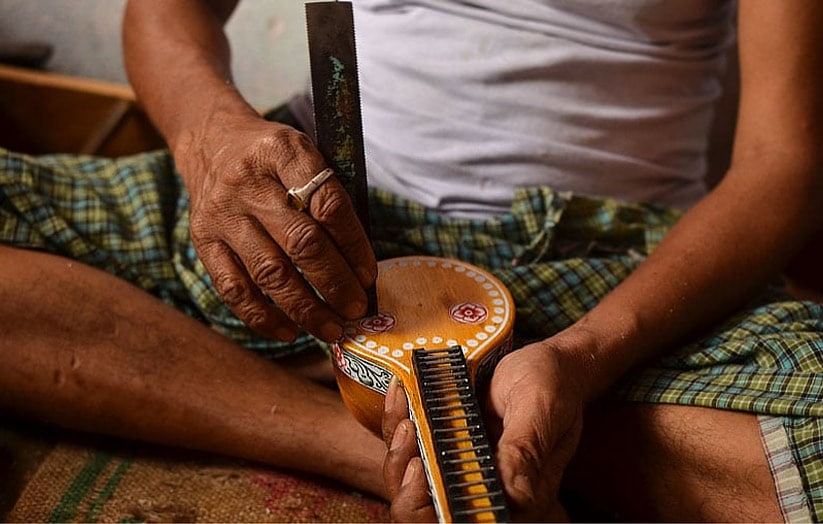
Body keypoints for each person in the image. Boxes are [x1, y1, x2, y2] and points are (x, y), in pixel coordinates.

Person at [1, 0, 821, 521]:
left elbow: (782, 161)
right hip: (329, 229)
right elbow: (166, 12)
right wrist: (212, 140)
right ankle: (386, 442)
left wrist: (583, 357)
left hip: (607, 268)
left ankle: (458, 419)